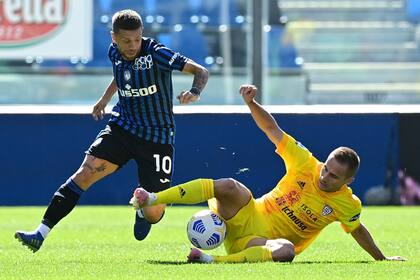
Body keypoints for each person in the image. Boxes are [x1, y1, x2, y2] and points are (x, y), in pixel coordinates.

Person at [130, 84, 405, 263]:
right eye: (327, 168)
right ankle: (152, 199)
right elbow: (273, 130)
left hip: (259, 243)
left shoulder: (347, 204)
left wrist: (382, 259)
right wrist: (251, 103)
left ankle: (210, 261)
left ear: (349, 181)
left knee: (287, 250)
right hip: (249, 214)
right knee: (229, 185)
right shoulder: (306, 163)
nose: (325, 176)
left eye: (334, 176)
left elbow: (357, 230)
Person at [15, 9, 209, 253]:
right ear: (113, 38)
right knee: (85, 173)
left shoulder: (157, 53)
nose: (132, 45)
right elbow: (122, 76)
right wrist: (104, 100)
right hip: (123, 127)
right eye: (126, 40)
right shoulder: (114, 53)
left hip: (157, 137)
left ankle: (142, 209)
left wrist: (195, 92)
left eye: (137, 39)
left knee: (154, 212)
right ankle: (40, 233)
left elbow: (201, 70)